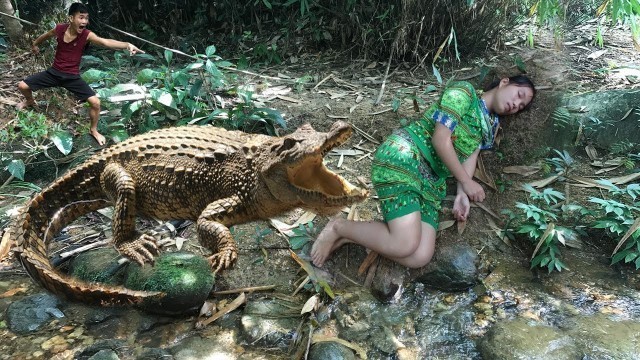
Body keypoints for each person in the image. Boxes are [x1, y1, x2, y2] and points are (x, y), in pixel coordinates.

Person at [311, 75, 535, 268]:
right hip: (405, 156)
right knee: (404, 244)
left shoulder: (489, 124)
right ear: (505, 82)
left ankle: (354, 236)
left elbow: (469, 154)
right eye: (519, 94)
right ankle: (338, 227)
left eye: (522, 105)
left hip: (431, 183)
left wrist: (461, 194)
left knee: (420, 256)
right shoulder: (464, 92)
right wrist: (466, 182)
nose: (517, 104)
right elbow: (441, 139)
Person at [17, 2, 144, 146]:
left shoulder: (87, 35)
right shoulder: (59, 29)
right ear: (71, 18)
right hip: (53, 73)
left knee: (95, 103)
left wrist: (127, 44)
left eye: (86, 18)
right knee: (22, 86)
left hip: (72, 77)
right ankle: (29, 101)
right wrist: (35, 44)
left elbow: (105, 42)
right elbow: (46, 35)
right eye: (81, 17)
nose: (84, 21)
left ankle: (93, 130)